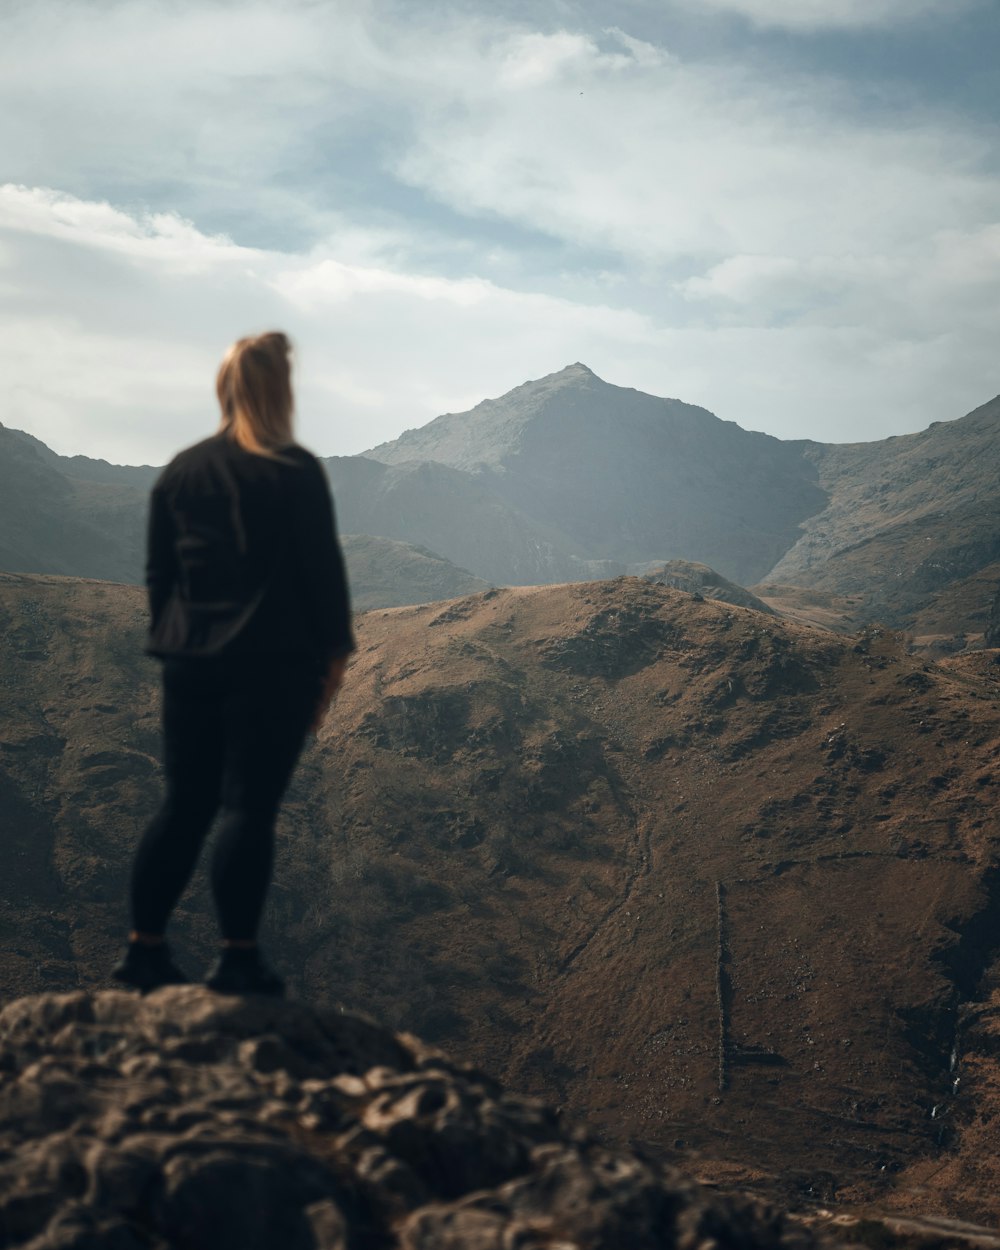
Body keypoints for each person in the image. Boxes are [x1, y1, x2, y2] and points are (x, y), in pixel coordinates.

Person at [112, 331, 354, 996]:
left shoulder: (182, 471)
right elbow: (322, 576)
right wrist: (333, 661)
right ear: (281, 390)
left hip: (188, 663)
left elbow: (160, 576)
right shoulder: (295, 471)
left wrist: (176, 639)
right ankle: (238, 958)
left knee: (184, 804)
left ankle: (143, 950)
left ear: (225, 388)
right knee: (249, 808)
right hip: (272, 664)